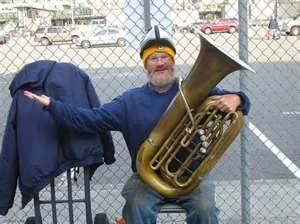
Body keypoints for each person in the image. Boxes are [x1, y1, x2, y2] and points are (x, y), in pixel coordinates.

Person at [24, 25, 251, 224]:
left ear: (173, 61)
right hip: (147, 179)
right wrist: (51, 105)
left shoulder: (200, 92)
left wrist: (238, 98)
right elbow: (89, 119)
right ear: (146, 65)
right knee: (136, 207)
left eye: (165, 57)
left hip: (191, 177)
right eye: (153, 58)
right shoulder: (129, 101)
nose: (160, 63)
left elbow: (238, 104)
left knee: (205, 209)